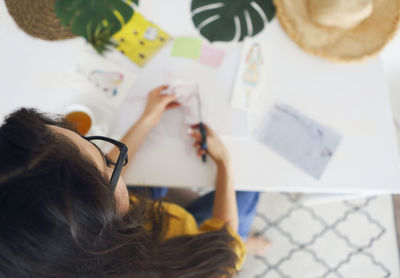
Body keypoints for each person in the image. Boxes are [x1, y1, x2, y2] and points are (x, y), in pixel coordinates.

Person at [0, 85, 268, 278]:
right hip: (198, 244)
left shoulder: (63, 248)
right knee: (247, 192)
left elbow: (86, 182)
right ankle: (249, 242)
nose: (114, 158)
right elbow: (225, 246)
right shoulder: (189, 267)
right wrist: (224, 164)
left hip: (146, 218)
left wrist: (147, 119)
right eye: (107, 165)